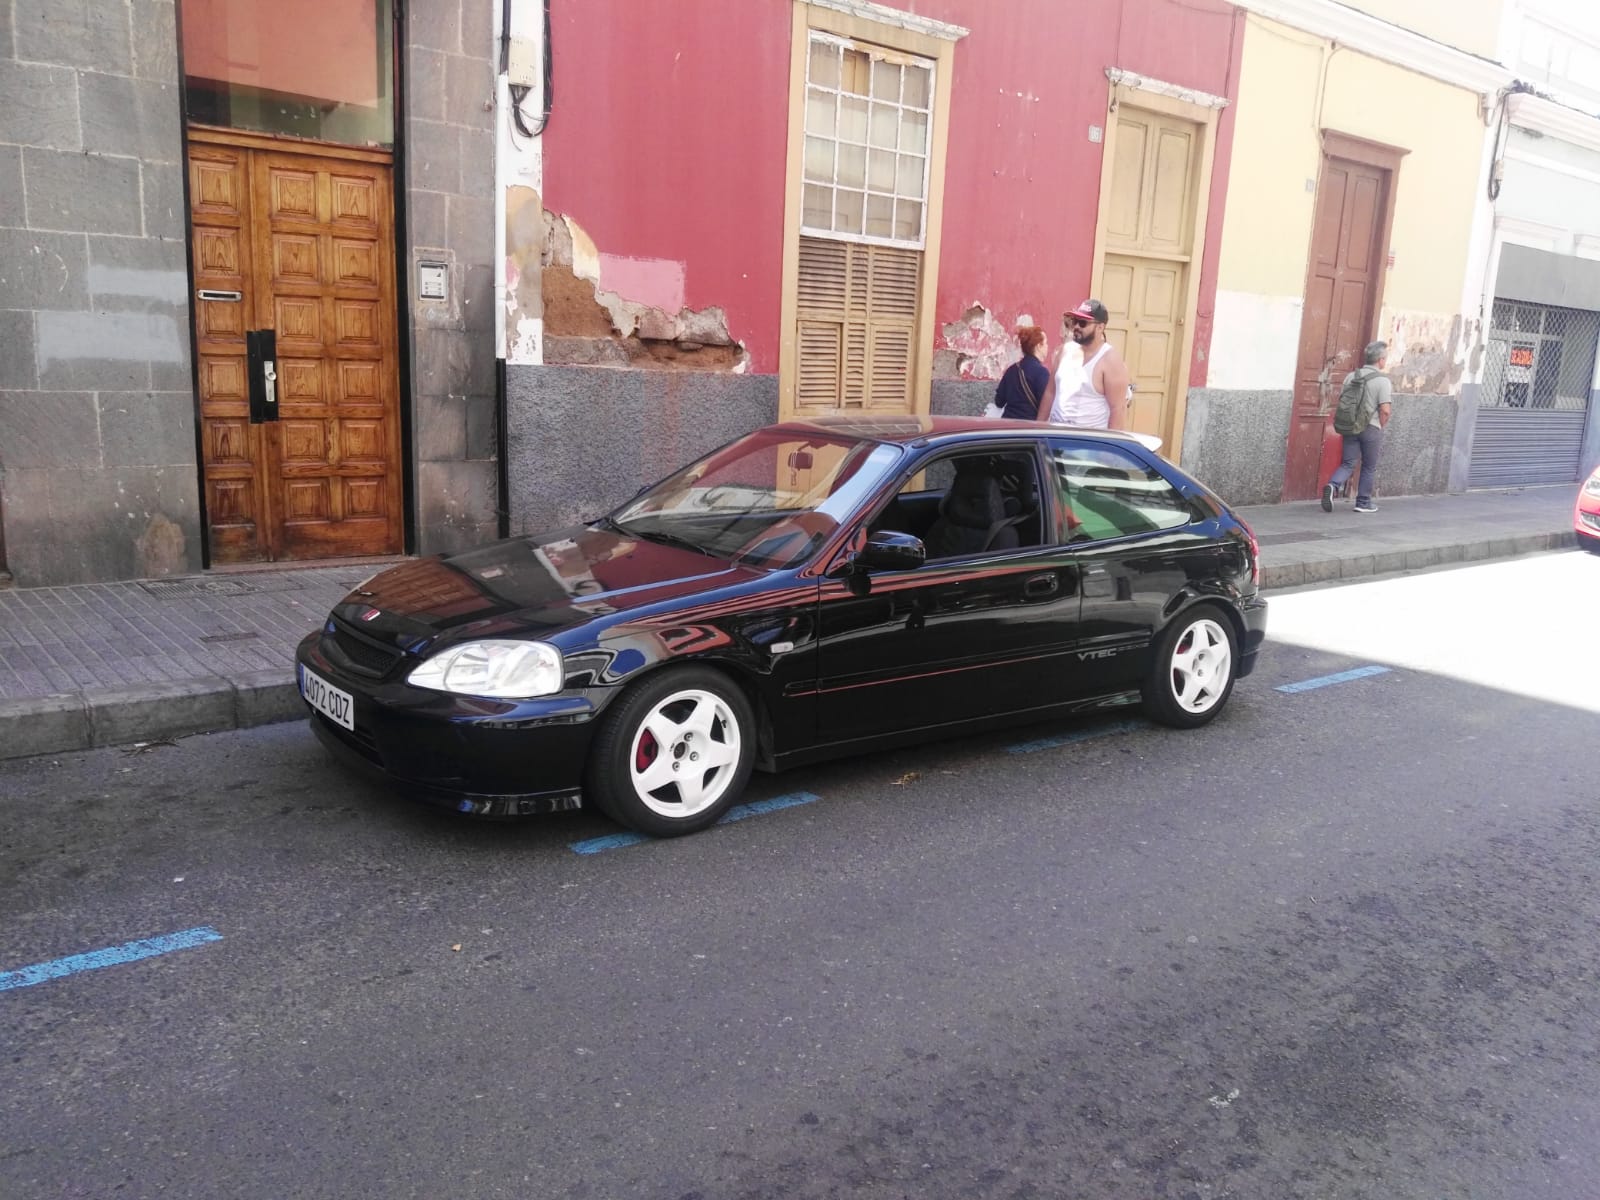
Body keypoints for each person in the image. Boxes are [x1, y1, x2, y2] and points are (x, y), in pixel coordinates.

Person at [1322, 340, 1393, 515]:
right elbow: (1385, 410)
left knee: (1348, 463)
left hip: (1350, 425)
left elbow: (1343, 401)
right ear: (1381, 360)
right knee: (1368, 466)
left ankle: (1332, 485)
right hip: (1370, 427)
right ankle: (1363, 502)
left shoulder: (1351, 376)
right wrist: (1380, 426)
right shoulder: (1383, 381)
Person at [1040, 299, 1130, 430]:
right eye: (1075, 321)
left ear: (1100, 327)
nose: (1076, 327)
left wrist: (1110, 442)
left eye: (1083, 323)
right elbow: (1050, 393)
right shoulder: (1065, 351)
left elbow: (1118, 409)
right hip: (1055, 437)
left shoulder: (1110, 360)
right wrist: (1038, 428)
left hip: (1087, 440)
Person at [991, 325, 1050, 420]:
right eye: (1046, 343)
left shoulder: (1011, 370)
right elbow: (1047, 406)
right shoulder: (1042, 373)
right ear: (1039, 346)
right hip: (1029, 426)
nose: (1047, 347)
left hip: (1007, 424)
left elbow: (999, 402)